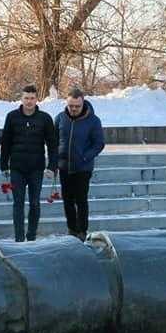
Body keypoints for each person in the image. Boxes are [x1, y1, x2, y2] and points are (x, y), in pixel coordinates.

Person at [0, 84, 58, 242]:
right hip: (17, 168)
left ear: (36, 99)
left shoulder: (45, 118)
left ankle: (31, 236)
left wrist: (52, 166)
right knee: (18, 203)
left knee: (34, 203)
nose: (29, 101)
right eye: (26, 98)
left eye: (32, 98)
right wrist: (4, 165)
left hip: (36, 168)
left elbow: (52, 145)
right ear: (21, 98)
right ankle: (19, 238)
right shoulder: (12, 117)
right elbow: (5, 142)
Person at [54, 87, 105, 241]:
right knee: (67, 200)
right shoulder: (60, 118)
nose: (74, 109)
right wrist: (55, 159)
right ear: (67, 104)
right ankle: (71, 228)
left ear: (83, 104)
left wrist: (85, 157)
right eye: (71, 106)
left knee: (81, 200)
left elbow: (99, 144)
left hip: (83, 167)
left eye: (77, 106)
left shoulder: (93, 121)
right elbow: (53, 140)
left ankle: (82, 230)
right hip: (64, 166)